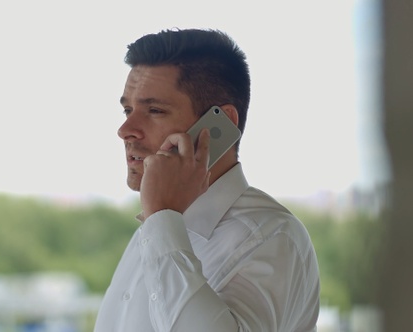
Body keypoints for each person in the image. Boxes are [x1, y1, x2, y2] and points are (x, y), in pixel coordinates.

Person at [94, 28, 320, 332]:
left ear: (220, 124)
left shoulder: (274, 237)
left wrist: (162, 218)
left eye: (155, 110)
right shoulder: (152, 232)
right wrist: (161, 220)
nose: (125, 129)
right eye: (127, 109)